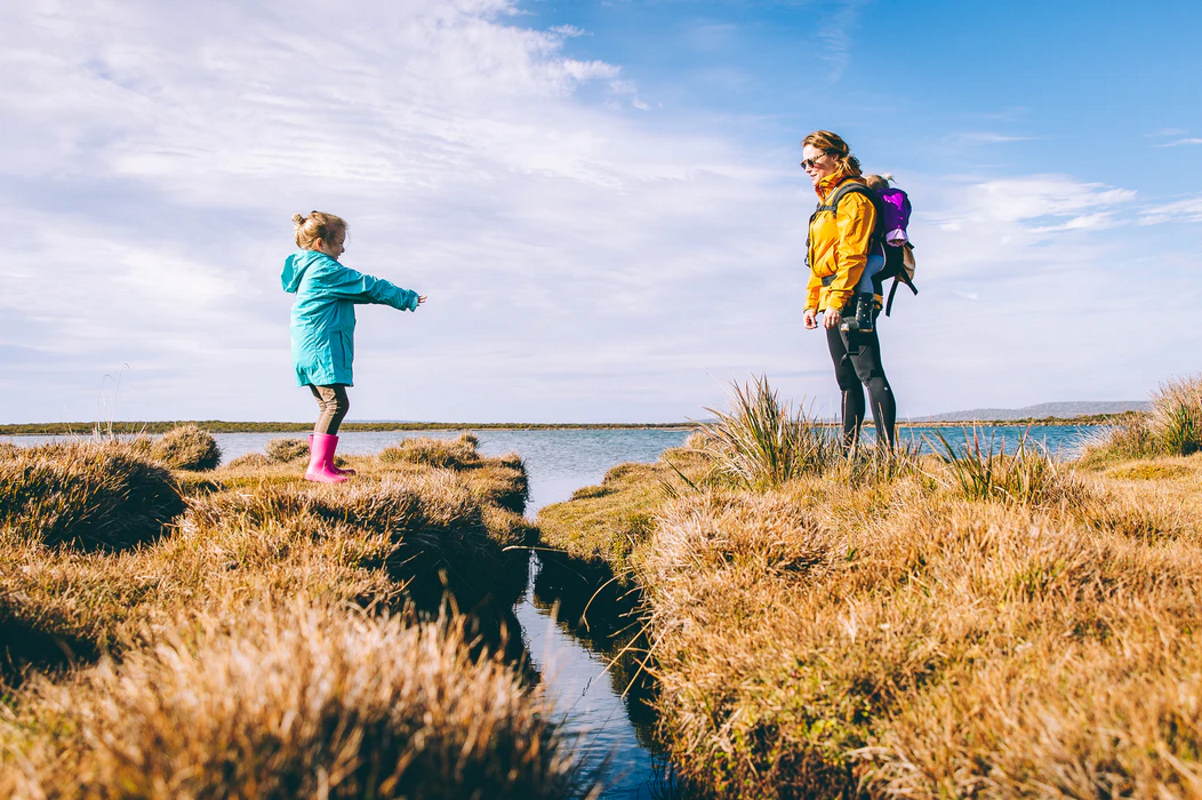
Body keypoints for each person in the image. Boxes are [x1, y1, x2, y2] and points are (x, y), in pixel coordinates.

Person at [281, 211, 427, 483]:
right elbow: (366, 286)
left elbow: (362, 294)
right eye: (338, 242)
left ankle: (323, 464)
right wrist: (405, 297)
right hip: (320, 347)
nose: (342, 248)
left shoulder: (310, 269)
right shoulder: (325, 269)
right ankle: (317, 467)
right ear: (320, 244)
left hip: (308, 348)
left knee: (327, 405)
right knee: (336, 404)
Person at [801, 131, 898, 449]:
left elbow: (853, 254)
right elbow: (819, 261)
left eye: (812, 160)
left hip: (855, 295)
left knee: (869, 373)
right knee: (846, 381)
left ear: (834, 155)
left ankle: (886, 456)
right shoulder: (825, 201)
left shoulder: (852, 197)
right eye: (803, 163)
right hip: (832, 298)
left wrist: (838, 301)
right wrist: (811, 304)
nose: (808, 168)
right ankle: (848, 455)